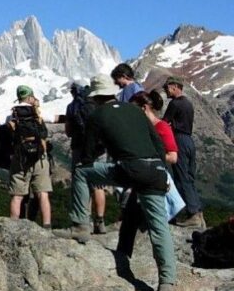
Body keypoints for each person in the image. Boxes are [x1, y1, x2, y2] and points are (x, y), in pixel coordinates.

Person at [55, 75, 176, 291]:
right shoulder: (135, 110)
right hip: (156, 171)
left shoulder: (97, 114)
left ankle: (80, 226)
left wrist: (90, 159)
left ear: (96, 97)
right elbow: (158, 144)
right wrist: (163, 172)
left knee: (82, 172)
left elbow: (88, 155)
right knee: (159, 228)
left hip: (130, 169)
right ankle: (167, 282)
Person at [117, 90, 179, 258]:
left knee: (153, 223)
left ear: (144, 108)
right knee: (129, 220)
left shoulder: (162, 127)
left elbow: (173, 156)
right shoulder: (139, 127)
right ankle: (123, 257)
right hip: (139, 179)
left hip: (157, 180)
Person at [6, 86, 52, 228]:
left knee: (17, 196)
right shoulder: (38, 112)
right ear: (31, 97)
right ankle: (47, 226)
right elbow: (57, 118)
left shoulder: (12, 114)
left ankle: (13, 228)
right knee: (42, 194)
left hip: (20, 158)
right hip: (40, 156)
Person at [65, 82, 107, 234]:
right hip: (99, 149)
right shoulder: (98, 103)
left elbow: (68, 132)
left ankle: (84, 222)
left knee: (81, 184)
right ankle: (100, 222)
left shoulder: (72, 106)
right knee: (99, 186)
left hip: (79, 148)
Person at [163, 76, 204, 228]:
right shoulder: (188, 103)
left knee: (181, 178)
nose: (165, 90)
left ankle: (192, 213)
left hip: (178, 140)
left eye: (166, 87)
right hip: (189, 141)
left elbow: (165, 122)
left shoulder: (175, 104)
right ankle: (198, 212)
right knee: (189, 177)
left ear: (174, 86)